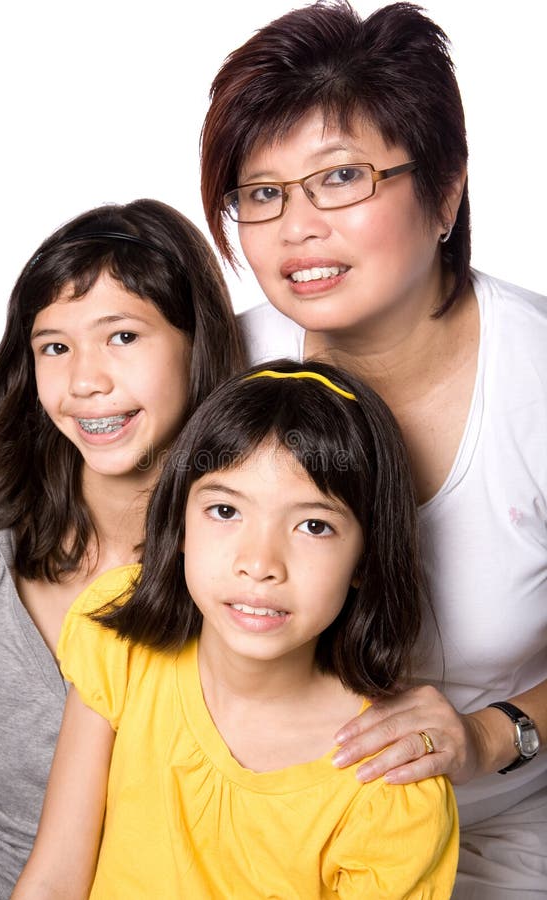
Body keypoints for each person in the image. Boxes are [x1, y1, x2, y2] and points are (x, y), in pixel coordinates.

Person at [199, 1, 547, 895]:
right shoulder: (222, 364)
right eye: (262, 193)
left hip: (497, 824)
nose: (296, 227)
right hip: (262, 814)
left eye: (341, 177)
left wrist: (491, 734)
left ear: (446, 193)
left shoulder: (536, 380)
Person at [12, 360, 458, 899]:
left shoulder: (392, 784)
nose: (259, 563)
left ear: (365, 558)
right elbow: (55, 878)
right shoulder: (122, 640)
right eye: (225, 511)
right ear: (179, 525)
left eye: (313, 525)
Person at [0, 198, 244, 899]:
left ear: (196, 342)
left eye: (123, 336)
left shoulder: (247, 566)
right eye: (55, 346)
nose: (85, 381)